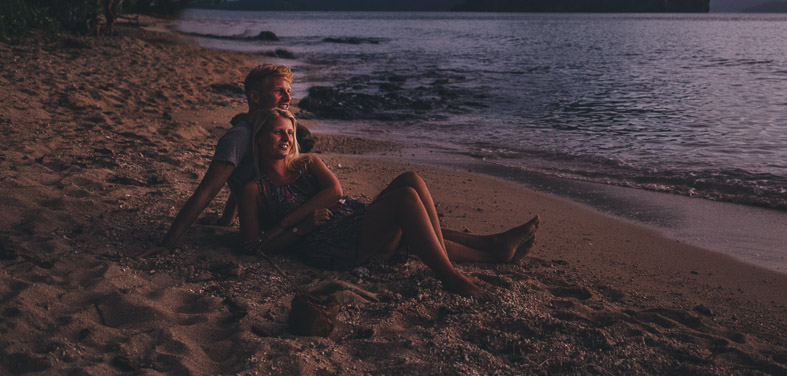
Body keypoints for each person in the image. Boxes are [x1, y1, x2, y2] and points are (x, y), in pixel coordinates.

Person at [241, 108, 538, 297]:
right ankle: (451, 276)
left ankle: (491, 246)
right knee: (406, 201)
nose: (286, 137)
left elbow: (334, 191)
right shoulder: (254, 190)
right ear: (259, 139)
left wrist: (285, 222)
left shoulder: (307, 164)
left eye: (290, 132)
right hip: (331, 243)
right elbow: (253, 247)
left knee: (411, 179)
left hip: (353, 216)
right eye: (278, 131)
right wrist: (300, 229)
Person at [136, 63, 295, 257]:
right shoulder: (239, 137)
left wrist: (228, 218)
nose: (288, 99)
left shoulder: (275, 132)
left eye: (289, 91)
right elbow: (207, 190)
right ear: (255, 96)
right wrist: (167, 243)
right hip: (284, 222)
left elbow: (247, 172)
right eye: (279, 91)